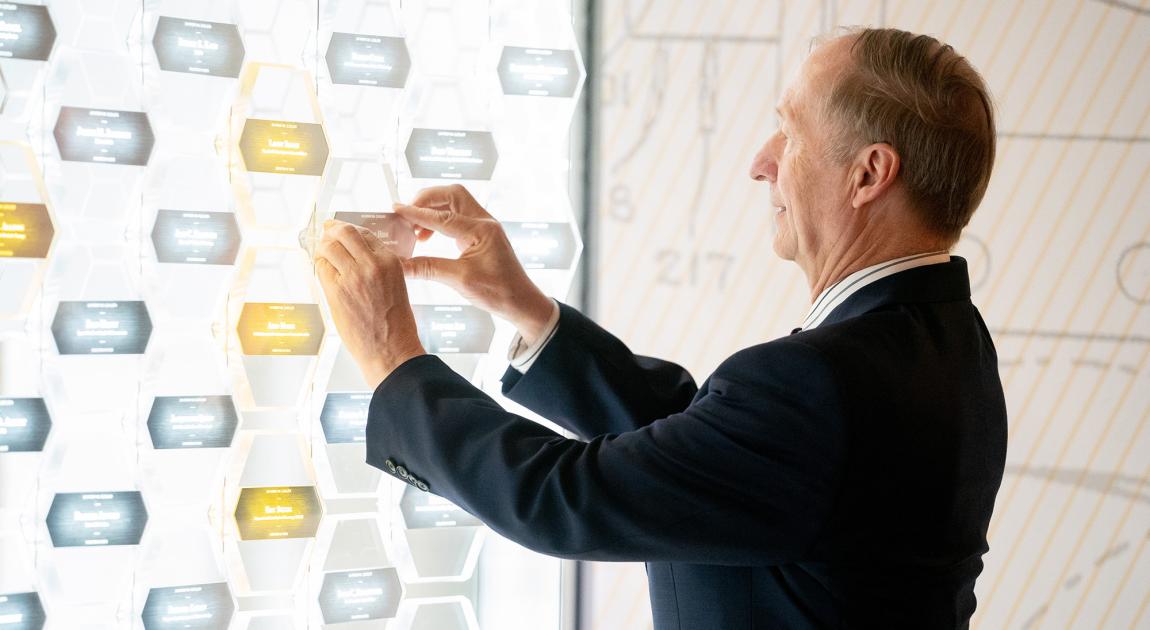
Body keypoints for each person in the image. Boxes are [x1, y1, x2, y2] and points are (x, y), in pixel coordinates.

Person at [314, 27, 1007, 629]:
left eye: (791, 132)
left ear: (869, 174)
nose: (761, 162)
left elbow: (565, 498)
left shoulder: (823, 383)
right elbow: (710, 453)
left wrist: (395, 361)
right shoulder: (946, 341)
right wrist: (526, 307)